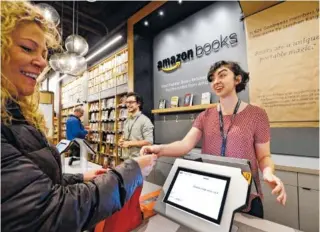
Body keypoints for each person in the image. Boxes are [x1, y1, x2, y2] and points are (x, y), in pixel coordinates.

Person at [1, 2, 157, 231]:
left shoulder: (15, 114)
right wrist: (129, 169)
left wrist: (79, 178)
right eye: (27, 48)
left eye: (44, 53)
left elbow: (36, 186)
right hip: (127, 163)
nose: (42, 62)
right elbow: (52, 209)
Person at [141, 60, 287, 219]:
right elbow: (185, 145)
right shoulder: (205, 116)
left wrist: (268, 172)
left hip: (245, 195)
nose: (216, 81)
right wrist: (159, 149)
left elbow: (264, 156)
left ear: (237, 79)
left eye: (222, 75)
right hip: (211, 193)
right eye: (212, 78)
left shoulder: (257, 115)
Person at [119, 92, 154, 158]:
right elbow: (124, 135)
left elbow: (149, 142)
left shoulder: (145, 121)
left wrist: (129, 143)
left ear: (138, 104)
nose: (128, 105)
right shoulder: (127, 120)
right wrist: (121, 140)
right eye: (127, 102)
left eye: (131, 102)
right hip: (126, 158)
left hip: (139, 160)